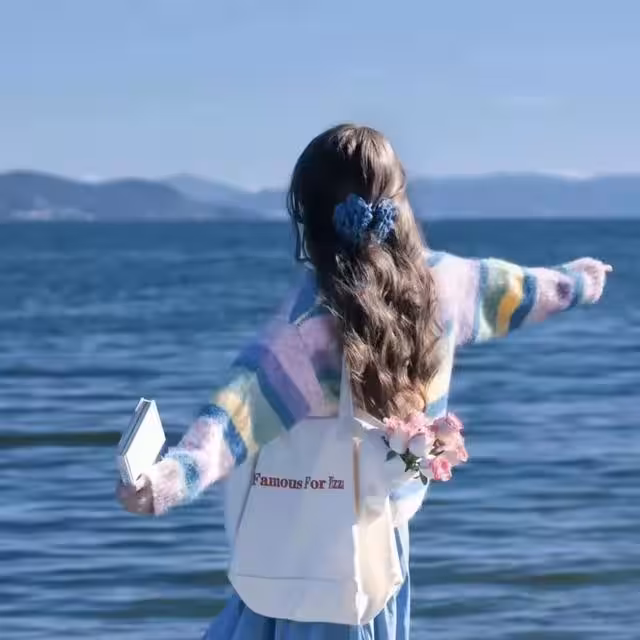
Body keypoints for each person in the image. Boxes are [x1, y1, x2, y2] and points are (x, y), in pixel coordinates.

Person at [117, 124, 612, 639]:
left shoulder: (311, 327)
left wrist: (164, 483)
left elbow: (236, 416)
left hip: (303, 546)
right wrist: (583, 281)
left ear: (308, 220)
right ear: (400, 206)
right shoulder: (450, 284)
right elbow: (525, 292)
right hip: (379, 554)